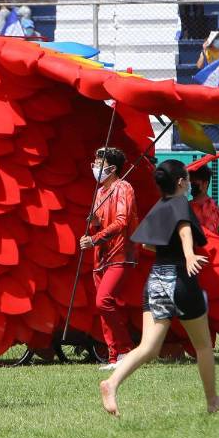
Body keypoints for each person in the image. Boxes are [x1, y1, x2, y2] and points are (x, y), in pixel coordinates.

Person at [99, 159, 219, 416]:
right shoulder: (180, 203)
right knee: (204, 345)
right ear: (181, 183)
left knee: (149, 347)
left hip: (156, 279)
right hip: (180, 278)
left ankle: (112, 383)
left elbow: (148, 245)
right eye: (187, 179)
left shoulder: (157, 207)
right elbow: (185, 230)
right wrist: (188, 255)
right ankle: (212, 401)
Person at [75, 147, 138, 370]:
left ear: (111, 168)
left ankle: (127, 350)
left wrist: (94, 238)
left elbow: (121, 222)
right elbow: (99, 223)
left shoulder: (124, 188)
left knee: (104, 301)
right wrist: (93, 223)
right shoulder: (100, 192)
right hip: (100, 257)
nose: (95, 166)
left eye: (99, 163)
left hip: (120, 254)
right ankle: (114, 357)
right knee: (103, 307)